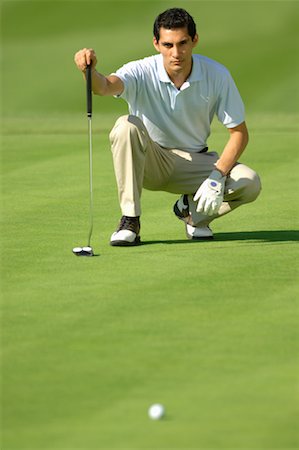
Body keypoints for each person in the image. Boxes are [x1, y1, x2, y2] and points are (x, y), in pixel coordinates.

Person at [74, 7, 261, 246]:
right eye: (168, 45)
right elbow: (104, 87)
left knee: (250, 182)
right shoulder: (141, 70)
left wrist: (217, 176)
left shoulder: (217, 74)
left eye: (182, 43)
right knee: (125, 125)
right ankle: (130, 220)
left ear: (195, 40)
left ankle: (193, 215)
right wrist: (88, 71)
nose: (176, 53)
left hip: (196, 164)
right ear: (156, 43)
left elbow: (239, 134)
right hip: (151, 162)